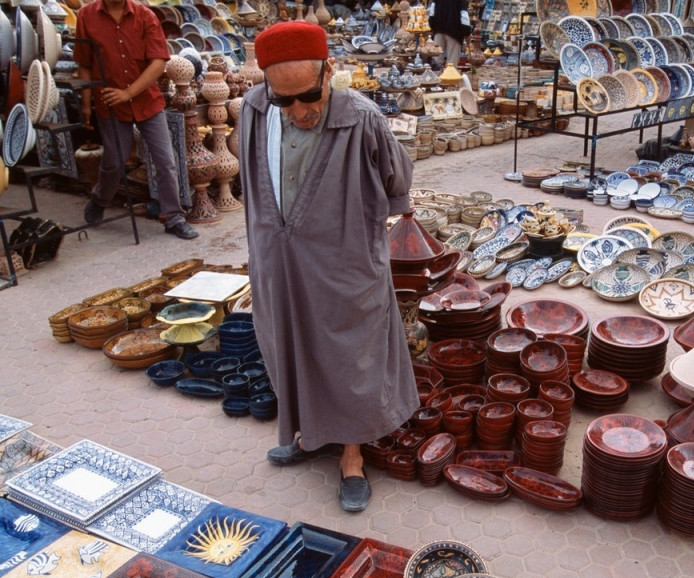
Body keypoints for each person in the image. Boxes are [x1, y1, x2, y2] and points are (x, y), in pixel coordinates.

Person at [238, 22, 419, 512]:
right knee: (288, 342)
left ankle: (352, 456)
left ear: (329, 72)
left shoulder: (360, 117)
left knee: (349, 352)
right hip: (278, 258)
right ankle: (309, 434)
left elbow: (397, 177)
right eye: (285, 101)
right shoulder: (254, 109)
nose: (299, 111)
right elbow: (251, 180)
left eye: (309, 97)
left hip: (343, 260)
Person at [74, 0, 199, 239]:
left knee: (165, 160)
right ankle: (99, 199)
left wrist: (129, 93)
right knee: (114, 161)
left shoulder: (145, 16)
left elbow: (159, 62)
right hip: (110, 102)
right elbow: (84, 63)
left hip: (146, 101)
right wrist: (85, 104)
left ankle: (174, 217)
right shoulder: (86, 16)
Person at [429, 0, 472, 66]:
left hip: (439, 30)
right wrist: (466, 32)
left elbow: (432, 11)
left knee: (436, 59)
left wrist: (432, 25)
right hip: (454, 33)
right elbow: (464, 15)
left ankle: (435, 74)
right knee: (452, 63)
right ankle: (449, 75)